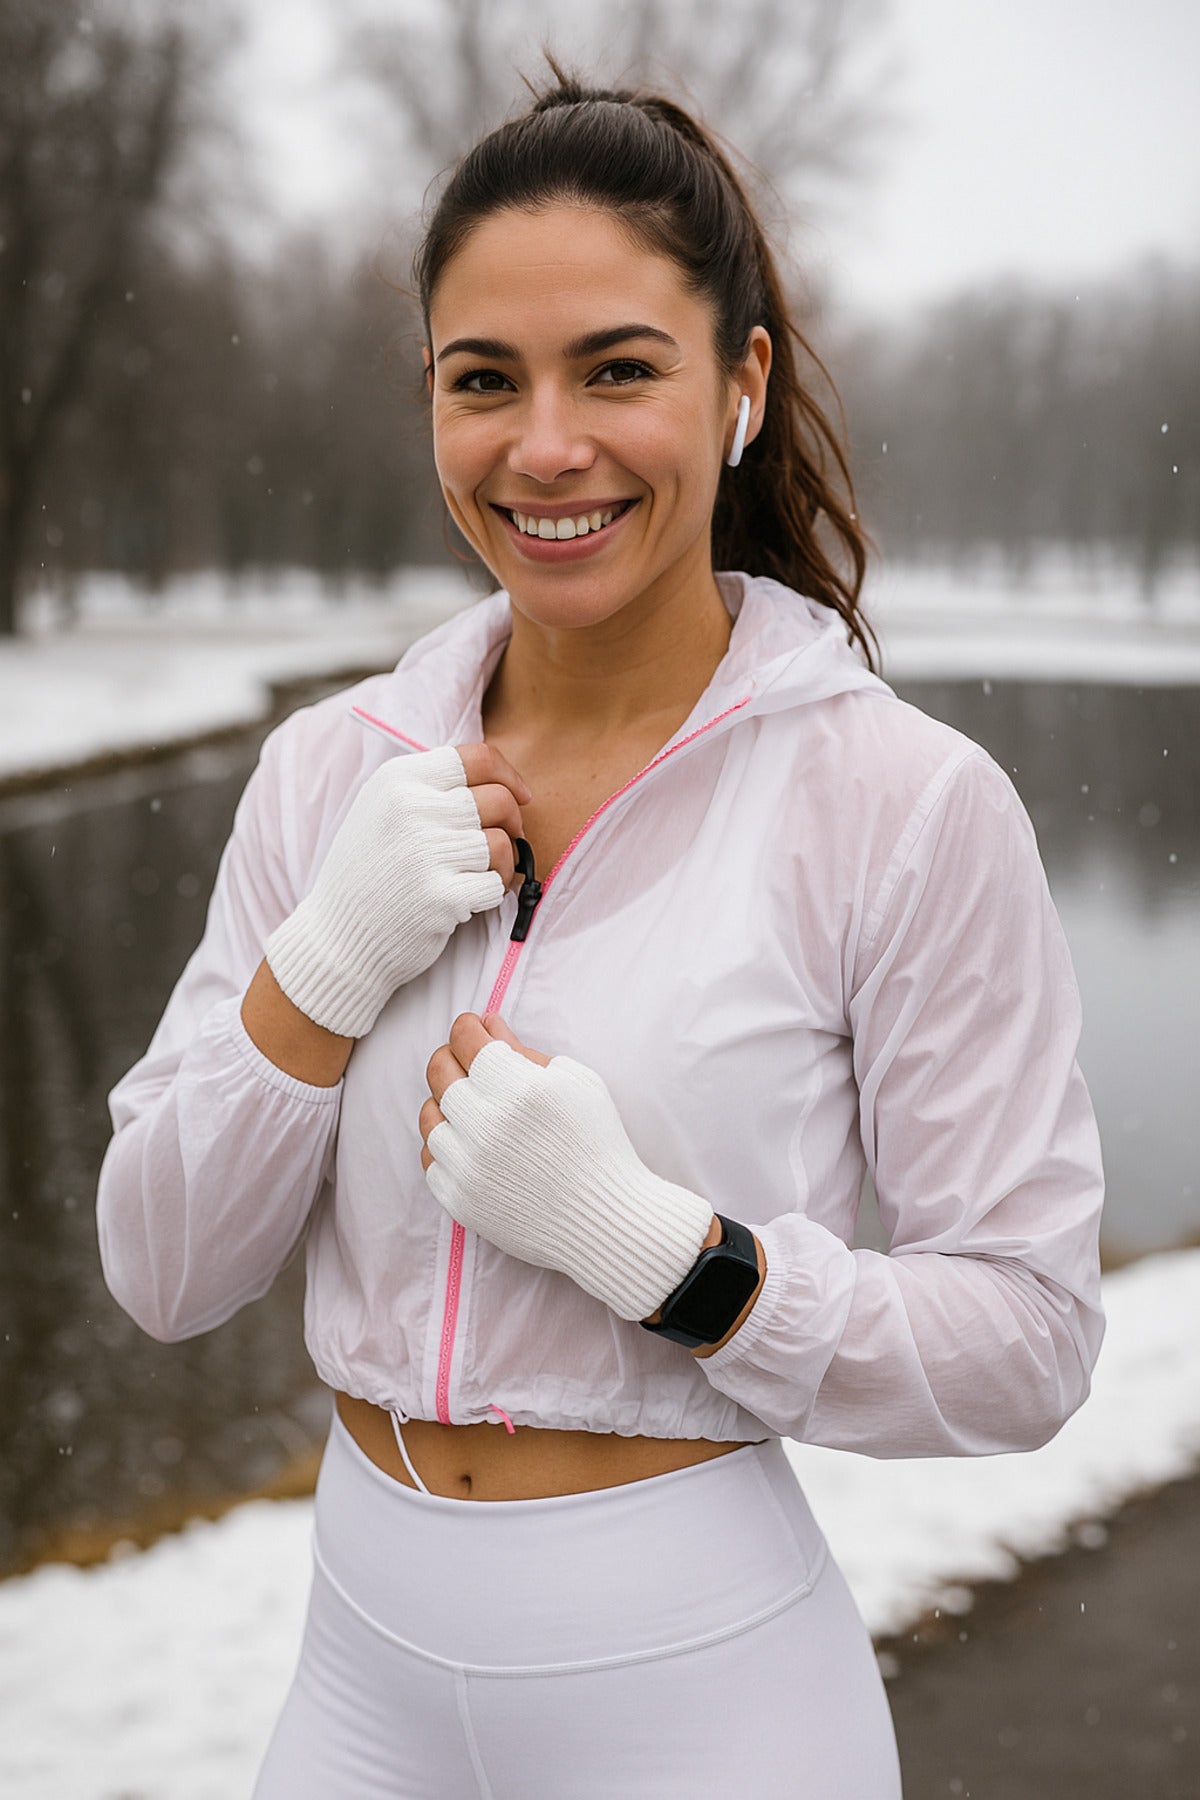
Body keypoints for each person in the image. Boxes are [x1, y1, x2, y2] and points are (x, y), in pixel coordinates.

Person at [95, 63, 1105, 1800]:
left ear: (743, 384)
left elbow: (1028, 1342)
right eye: (484, 378)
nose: (545, 446)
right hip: (359, 1687)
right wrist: (320, 972)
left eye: (619, 369)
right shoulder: (331, 771)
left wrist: (673, 1259)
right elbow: (164, 1271)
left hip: (703, 1699)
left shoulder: (903, 804)